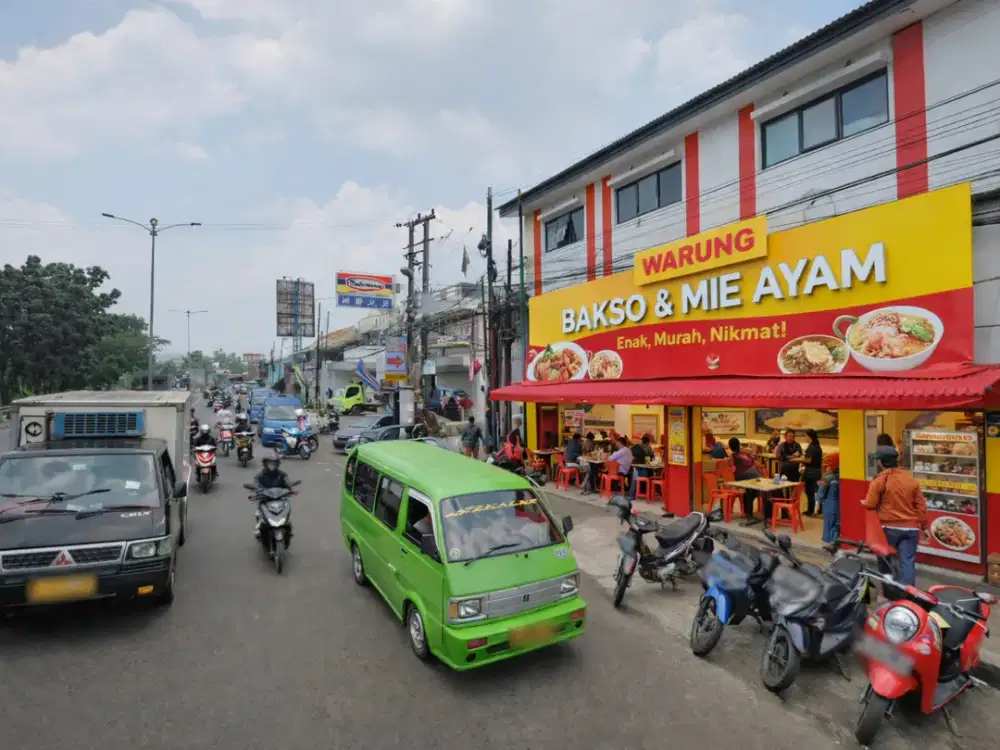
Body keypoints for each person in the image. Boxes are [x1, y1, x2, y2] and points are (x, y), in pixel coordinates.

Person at [862, 445, 929, 585]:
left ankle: (888, 591)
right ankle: (908, 595)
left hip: (888, 528)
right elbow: (921, 507)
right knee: (908, 562)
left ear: (881, 462)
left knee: (886, 560)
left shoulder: (879, 481)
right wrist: (924, 527)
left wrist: (864, 503)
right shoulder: (911, 480)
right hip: (911, 529)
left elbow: (871, 504)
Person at [251, 456, 293, 538]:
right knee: (258, 513)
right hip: (265, 497)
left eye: (274, 464)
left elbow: (287, 482)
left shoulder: (282, 474)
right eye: (270, 464)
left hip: (280, 497)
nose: (272, 466)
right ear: (265, 464)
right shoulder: (261, 474)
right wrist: (257, 489)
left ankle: (289, 527)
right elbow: (255, 482)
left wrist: (289, 487)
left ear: (277, 465)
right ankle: (259, 528)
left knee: (287, 511)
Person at [796, 429, 824, 516]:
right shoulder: (818, 446)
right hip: (817, 471)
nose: (805, 438)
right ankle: (820, 510)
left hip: (810, 472)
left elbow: (808, 460)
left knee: (809, 492)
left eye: (805, 436)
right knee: (817, 491)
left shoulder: (812, 447)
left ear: (809, 437)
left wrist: (798, 460)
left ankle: (810, 511)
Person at [819, 454, 841, 552]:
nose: (826, 467)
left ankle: (831, 543)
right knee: (836, 523)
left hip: (829, 503)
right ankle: (834, 540)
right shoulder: (840, 476)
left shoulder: (827, 478)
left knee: (829, 523)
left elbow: (821, 493)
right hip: (838, 504)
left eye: (827, 465)